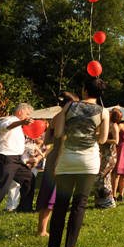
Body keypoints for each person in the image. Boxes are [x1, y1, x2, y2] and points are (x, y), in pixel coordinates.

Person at [49, 76, 109, 247]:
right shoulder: (104, 112)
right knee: (79, 205)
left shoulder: (69, 106)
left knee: (60, 205)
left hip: (67, 160)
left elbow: (58, 133)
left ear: (84, 90)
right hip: (88, 161)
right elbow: (103, 139)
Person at [36, 92, 79, 237]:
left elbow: (47, 141)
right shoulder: (68, 119)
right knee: (54, 192)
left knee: (49, 190)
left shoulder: (54, 118)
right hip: (62, 155)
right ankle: (44, 231)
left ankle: (42, 229)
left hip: (53, 154)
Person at [93, 108, 121, 209]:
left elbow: (116, 141)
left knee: (103, 177)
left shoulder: (114, 126)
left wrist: (104, 139)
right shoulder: (104, 124)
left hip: (110, 154)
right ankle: (100, 202)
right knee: (99, 177)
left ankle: (109, 202)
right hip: (102, 153)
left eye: (111, 111)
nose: (108, 112)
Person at [6, 135, 42, 211]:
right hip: (20, 160)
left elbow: (45, 149)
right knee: (15, 184)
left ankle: (25, 206)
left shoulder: (41, 135)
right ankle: (11, 206)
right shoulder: (21, 132)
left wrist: (36, 159)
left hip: (34, 161)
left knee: (29, 183)